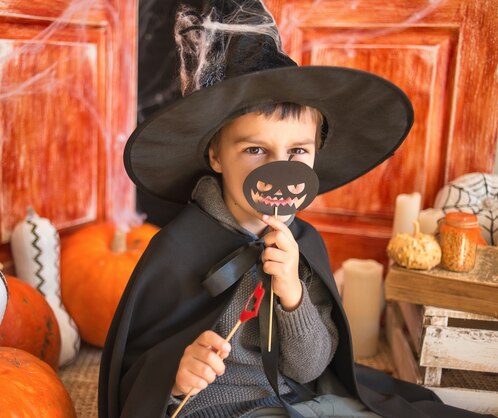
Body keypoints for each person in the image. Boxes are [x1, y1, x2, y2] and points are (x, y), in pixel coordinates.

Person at [98, 1, 492, 417]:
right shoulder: (177, 248)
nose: (276, 167)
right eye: (254, 149)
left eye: (297, 150)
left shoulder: (301, 245)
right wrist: (176, 378)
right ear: (216, 155)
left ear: (315, 153)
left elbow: (310, 367)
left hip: (294, 402)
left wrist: (292, 295)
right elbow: (135, 371)